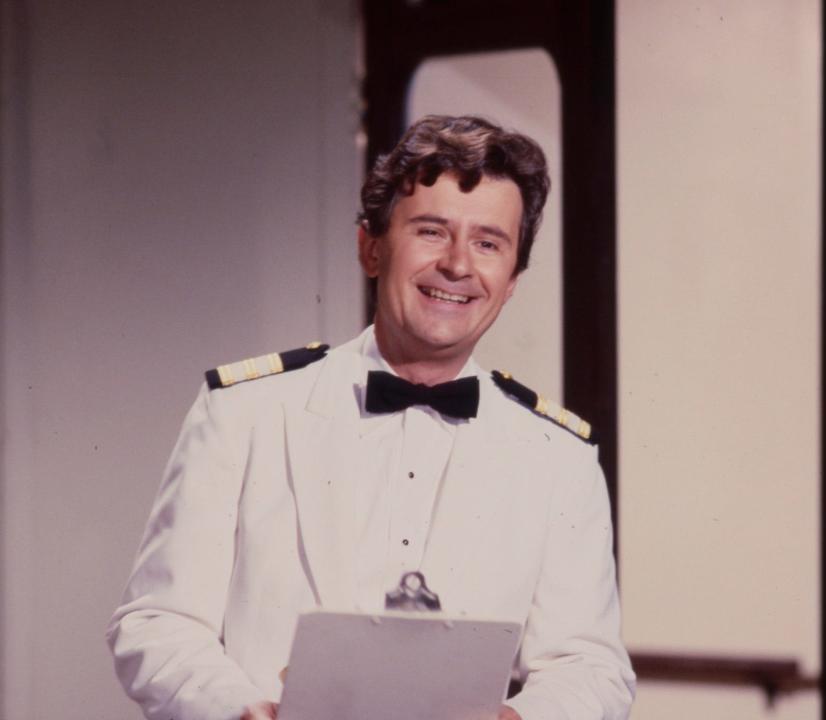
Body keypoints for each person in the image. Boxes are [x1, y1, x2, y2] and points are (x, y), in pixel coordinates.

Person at [107, 115, 635, 720]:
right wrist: (242, 714)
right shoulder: (244, 413)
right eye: (432, 232)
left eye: (489, 243)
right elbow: (156, 622)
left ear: (512, 279)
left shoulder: (559, 456)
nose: (459, 265)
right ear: (371, 246)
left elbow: (591, 667)